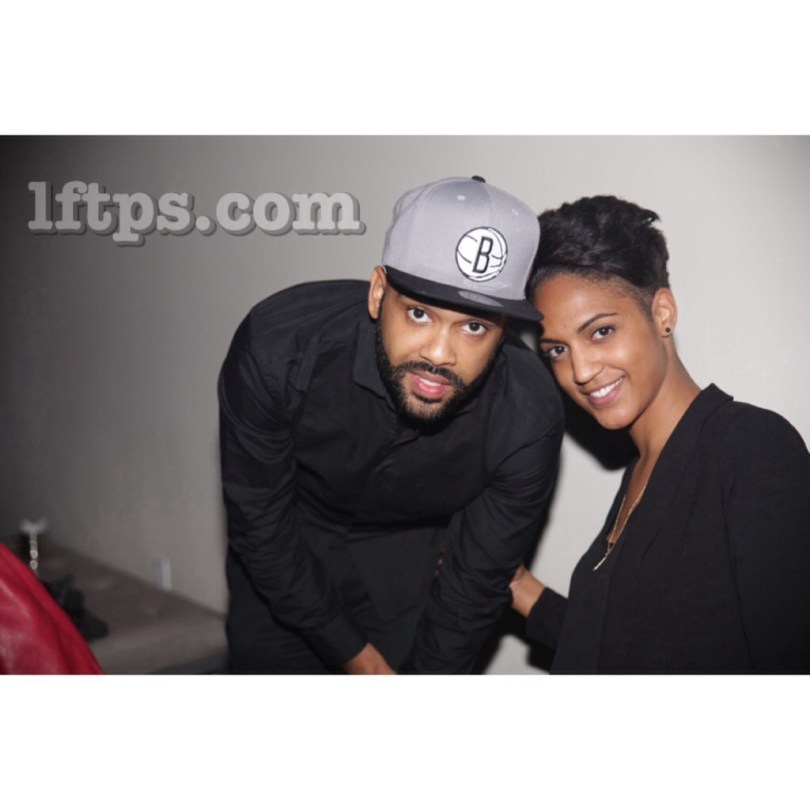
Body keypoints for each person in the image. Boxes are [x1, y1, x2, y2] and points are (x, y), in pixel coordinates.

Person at [219, 176, 564, 674]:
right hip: (284, 557)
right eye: (419, 313)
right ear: (379, 293)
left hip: (409, 573)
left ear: (504, 330)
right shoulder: (280, 350)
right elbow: (260, 523)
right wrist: (358, 658)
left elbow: (473, 585)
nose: (439, 354)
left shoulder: (526, 415)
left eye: (474, 326)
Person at [510, 195, 810, 674]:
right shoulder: (639, 474)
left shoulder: (751, 449)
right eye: (557, 351)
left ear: (662, 313)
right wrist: (520, 588)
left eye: (601, 332)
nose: (580, 371)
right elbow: (629, 648)